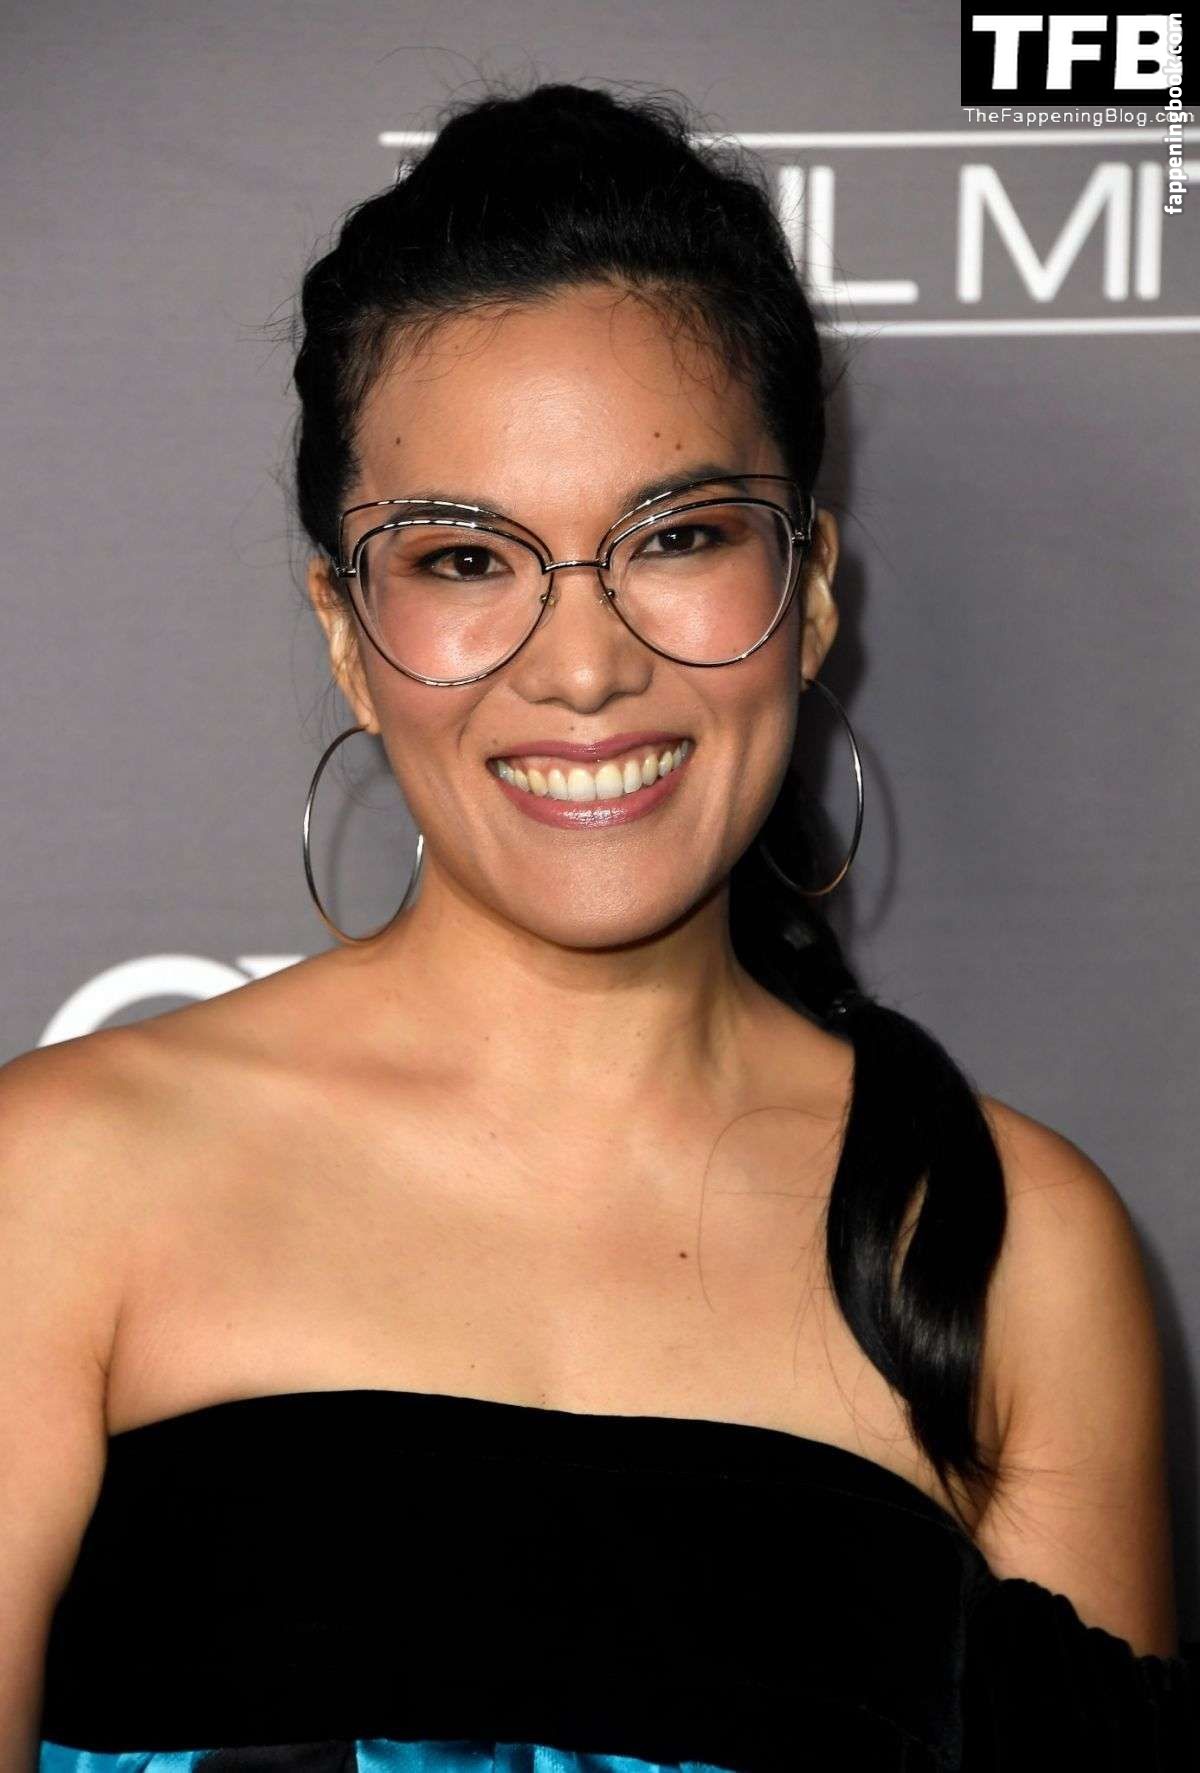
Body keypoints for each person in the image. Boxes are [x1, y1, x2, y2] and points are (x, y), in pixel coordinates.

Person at [4, 78, 1196, 1772]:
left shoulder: (1007, 1246)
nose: (582, 666)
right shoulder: (55, 1189)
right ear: (347, 630)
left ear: (809, 590)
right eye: (465, 558)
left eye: (679, 536)